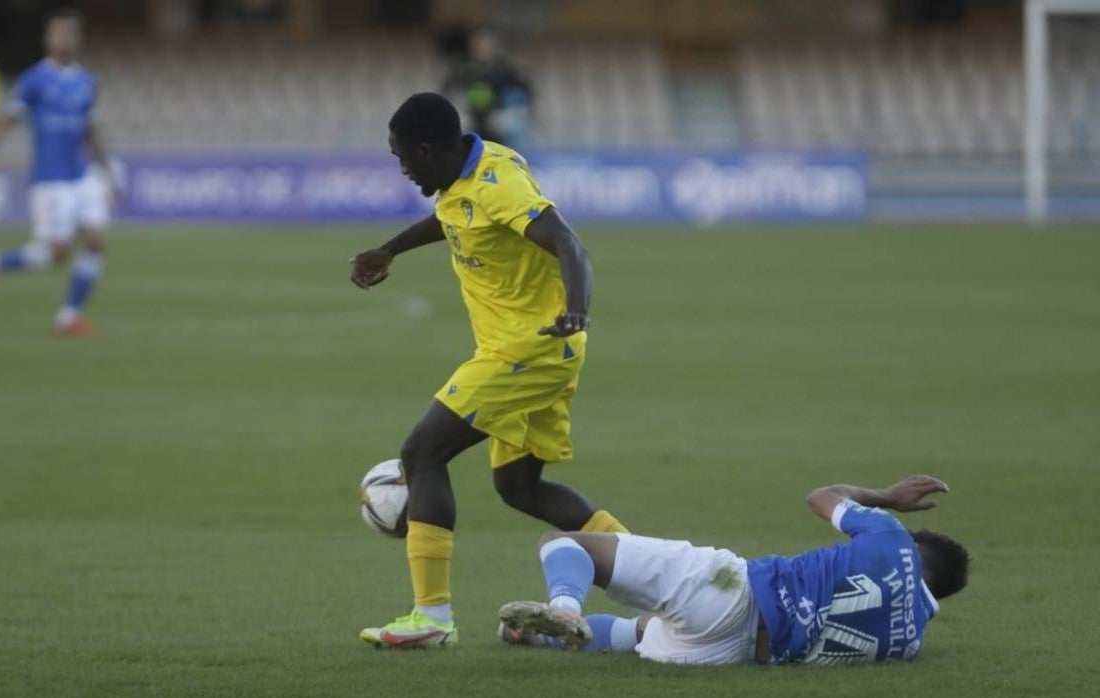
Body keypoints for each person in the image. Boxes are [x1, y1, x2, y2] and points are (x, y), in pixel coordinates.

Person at [350, 93, 629, 649]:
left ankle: (432, 616)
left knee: (421, 453)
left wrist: (577, 309)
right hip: (530, 351)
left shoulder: (499, 181)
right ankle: (658, 571)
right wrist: (391, 249)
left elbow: (570, 244)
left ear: (428, 150)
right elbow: (454, 218)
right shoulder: (461, 179)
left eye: (404, 158)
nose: (402, 169)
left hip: (530, 349)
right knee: (519, 487)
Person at [497, 475, 970, 665]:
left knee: (563, 543)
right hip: (734, 655)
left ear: (914, 545)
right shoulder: (911, 643)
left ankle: (563, 608)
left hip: (732, 590)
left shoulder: (893, 540)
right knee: (642, 632)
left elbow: (821, 498)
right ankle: (539, 636)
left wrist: (885, 499)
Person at [0, 8, 120, 336]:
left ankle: (68, 317)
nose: (64, 39)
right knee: (56, 254)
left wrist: (108, 175)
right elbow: (7, 121)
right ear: (47, 40)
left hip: (81, 176)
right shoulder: (34, 80)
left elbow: (92, 131)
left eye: (70, 33)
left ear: (80, 40)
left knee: (95, 243)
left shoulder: (86, 83)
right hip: (50, 180)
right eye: (58, 33)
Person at [441, 29, 533, 149]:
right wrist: (457, 111)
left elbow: (526, 89)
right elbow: (446, 90)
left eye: (486, 45)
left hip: (496, 119)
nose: (482, 49)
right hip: (472, 118)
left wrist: (512, 113)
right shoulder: (463, 68)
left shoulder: (503, 68)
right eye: (479, 45)